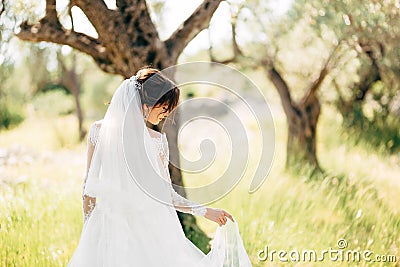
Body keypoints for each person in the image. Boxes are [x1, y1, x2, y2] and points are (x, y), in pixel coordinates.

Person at [67, 67, 253, 266]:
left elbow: (166, 194)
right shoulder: (100, 132)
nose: (165, 115)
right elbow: (89, 186)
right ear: (147, 104)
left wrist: (205, 211)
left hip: (142, 228)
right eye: (164, 107)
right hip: (111, 227)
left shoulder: (156, 141)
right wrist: (90, 230)